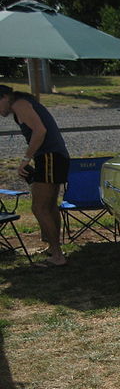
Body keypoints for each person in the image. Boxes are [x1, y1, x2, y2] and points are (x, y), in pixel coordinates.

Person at [0, 84, 69, 266]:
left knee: (39, 208)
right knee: (49, 206)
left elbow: (40, 131)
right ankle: (53, 249)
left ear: (5, 97)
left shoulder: (19, 105)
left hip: (49, 157)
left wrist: (25, 159)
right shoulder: (24, 103)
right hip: (55, 156)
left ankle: (57, 255)